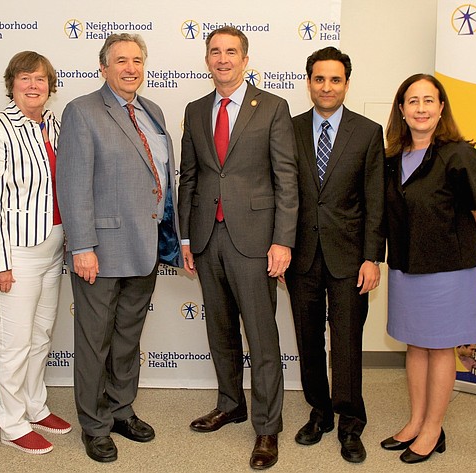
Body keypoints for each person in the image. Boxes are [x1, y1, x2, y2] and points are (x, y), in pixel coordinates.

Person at [56, 33, 181, 463]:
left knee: (128, 337)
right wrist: (82, 246)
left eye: (137, 60)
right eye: (121, 60)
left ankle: (121, 410)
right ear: (103, 67)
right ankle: (94, 425)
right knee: (95, 341)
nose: (131, 68)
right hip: (101, 250)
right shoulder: (82, 111)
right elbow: (72, 184)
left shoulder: (152, 111)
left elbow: (162, 179)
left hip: (145, 245)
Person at [178, 26, 298, 470]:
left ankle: (267, 427)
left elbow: (287, 179)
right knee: (221, 330)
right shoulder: (193, 110)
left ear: (245, 59)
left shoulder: (272, 107)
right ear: (206, 59)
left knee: (262, 336)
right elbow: (189, 177)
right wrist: (186, 238)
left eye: (231, 52)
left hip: (255, 239)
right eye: (215, 52)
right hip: (208, 238)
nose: (222, 59)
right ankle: (230, 404)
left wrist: (283, 240)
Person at [381, 73, 476, 464]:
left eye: (429, 101)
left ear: (441, 107)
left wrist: (464, 260)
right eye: (413, 101)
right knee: (416, 345)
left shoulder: (459, 153)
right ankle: (415, 422)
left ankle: (433, 429)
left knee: (440, 349)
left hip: (449, 272)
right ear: (401, 109)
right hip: (406, 269)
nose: (421, 108)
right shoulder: (392, 157)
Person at [285, 46, 385, 464]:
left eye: (335, 79)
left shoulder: (367, 131)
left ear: (346, 83)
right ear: (308, 82)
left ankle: (349, 420)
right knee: (308, 339)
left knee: (346, 342)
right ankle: (320, 411)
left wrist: (372, 257)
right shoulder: (287, 129)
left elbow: (375, 199)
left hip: (349, 257)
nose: (326, 87)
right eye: (319, 79)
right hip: (301, 255)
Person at [0, 51, 71, 455]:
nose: (34, 86)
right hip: (17, 253)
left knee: (41, 334)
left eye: (41, 79)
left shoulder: (53, 124)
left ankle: (34, 405)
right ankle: (11, 424)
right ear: (11, 83)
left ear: (50, 87)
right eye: (25, 78)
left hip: (53, 248)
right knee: (13, 343)